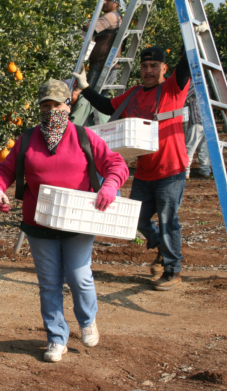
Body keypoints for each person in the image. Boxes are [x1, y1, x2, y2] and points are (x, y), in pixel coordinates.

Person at [0, 80, 128, 363]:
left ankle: (87, 320)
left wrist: (110, 186)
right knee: (49, 283)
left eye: (58, 105)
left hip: (77, 221)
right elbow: (5, 169)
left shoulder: (84, 136)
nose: (52, 111)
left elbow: (116, 164)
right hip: (39, 224)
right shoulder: (28, 139)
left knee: (79, 277)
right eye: (46, 105)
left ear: (69, 105)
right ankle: (56, 338)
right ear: (39, 107)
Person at [73, 34, 207, 291]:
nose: (148, 70)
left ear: (164, 69)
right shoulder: (132, 95)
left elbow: (187, 62)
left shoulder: (172, 88)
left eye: (154, 66)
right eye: (145, 66)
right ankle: (161, 247)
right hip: (145, 172)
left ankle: (172, 270)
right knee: (138, 220)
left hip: (171, 169)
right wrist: (86, 88)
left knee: (169, 220)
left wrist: (192, 36)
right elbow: (105, 105)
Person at [86, 0, 122, 88]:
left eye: (109, 0)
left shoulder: (111, 16)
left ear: (116, 4)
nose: (104, 2)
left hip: (102, 65)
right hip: (107, 65)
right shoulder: (116, 16)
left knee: (90, 96)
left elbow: (89, 28)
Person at [183, 84, 211, 179]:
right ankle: (205, 171)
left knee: (189, 147)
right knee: (203, 148)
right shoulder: (203, 84)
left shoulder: (195, 85)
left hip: (196, 121)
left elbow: (184, 97)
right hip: (205, 121)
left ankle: (185, 171)